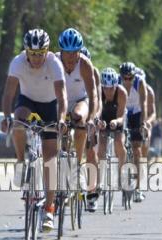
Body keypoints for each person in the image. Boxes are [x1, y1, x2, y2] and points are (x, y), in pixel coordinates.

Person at [1, 28, 67, 231]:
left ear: (47, 51)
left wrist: (62, 119)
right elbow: (8, 94)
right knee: (18, 123)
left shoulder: (54, 63)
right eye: (33, 54)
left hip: (50, 105)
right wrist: (6, 117)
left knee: (50, 160)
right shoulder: (17, 62)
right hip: (27, 101)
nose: (37, 59)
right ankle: (21, 160)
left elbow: (62, 95)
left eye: (41, 54)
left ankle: (49, 208)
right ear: (26, 51)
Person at [56, 28, 98, 209]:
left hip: (81, 101)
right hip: (60, 101)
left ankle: (78, 162)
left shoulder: (85, 65)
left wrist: (92, 118)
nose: (71, 57)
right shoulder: (54, 61)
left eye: (75, 52)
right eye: (67, 53)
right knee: (60, 130)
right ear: (61, 51)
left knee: (79, 119)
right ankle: (62, 160)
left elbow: (93, 95)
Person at [119, 61, 148, 202]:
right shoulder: (117, 83)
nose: (127, 81)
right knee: (120, 142)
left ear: (134, 77)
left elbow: (144, 104)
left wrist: (143, 123)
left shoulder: (140, 83)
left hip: (136, 113)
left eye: (130, 78)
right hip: (123, 113)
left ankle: (137, 188)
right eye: (125, 78)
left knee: (137, 149)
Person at [97, 67, 127, 197]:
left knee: (119, 143)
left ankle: (121, 174)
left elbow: (121, 116)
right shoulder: (98, 92)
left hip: (117, 118)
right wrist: (98, 121)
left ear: (116, 85)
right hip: (103, 117)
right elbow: (97, 110)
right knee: (101, 148)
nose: (108, 91)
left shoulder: (121, 93)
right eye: (105, 87)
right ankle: (99, 181)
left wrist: (116, 122)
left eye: (111, 88)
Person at [80, 46, 102, 211]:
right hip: (73, 108)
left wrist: (94, 118)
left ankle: (91, 192)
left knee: (91, 152)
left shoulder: (93, 73)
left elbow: (98, 99)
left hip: (89, 109)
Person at [135, 68, 156, 161]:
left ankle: (143, 161)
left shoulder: (149, 92)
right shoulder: (128, 88)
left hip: (145, 119)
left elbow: (153, 113)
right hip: (132, 117)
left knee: (145, 139)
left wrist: (147, 122)